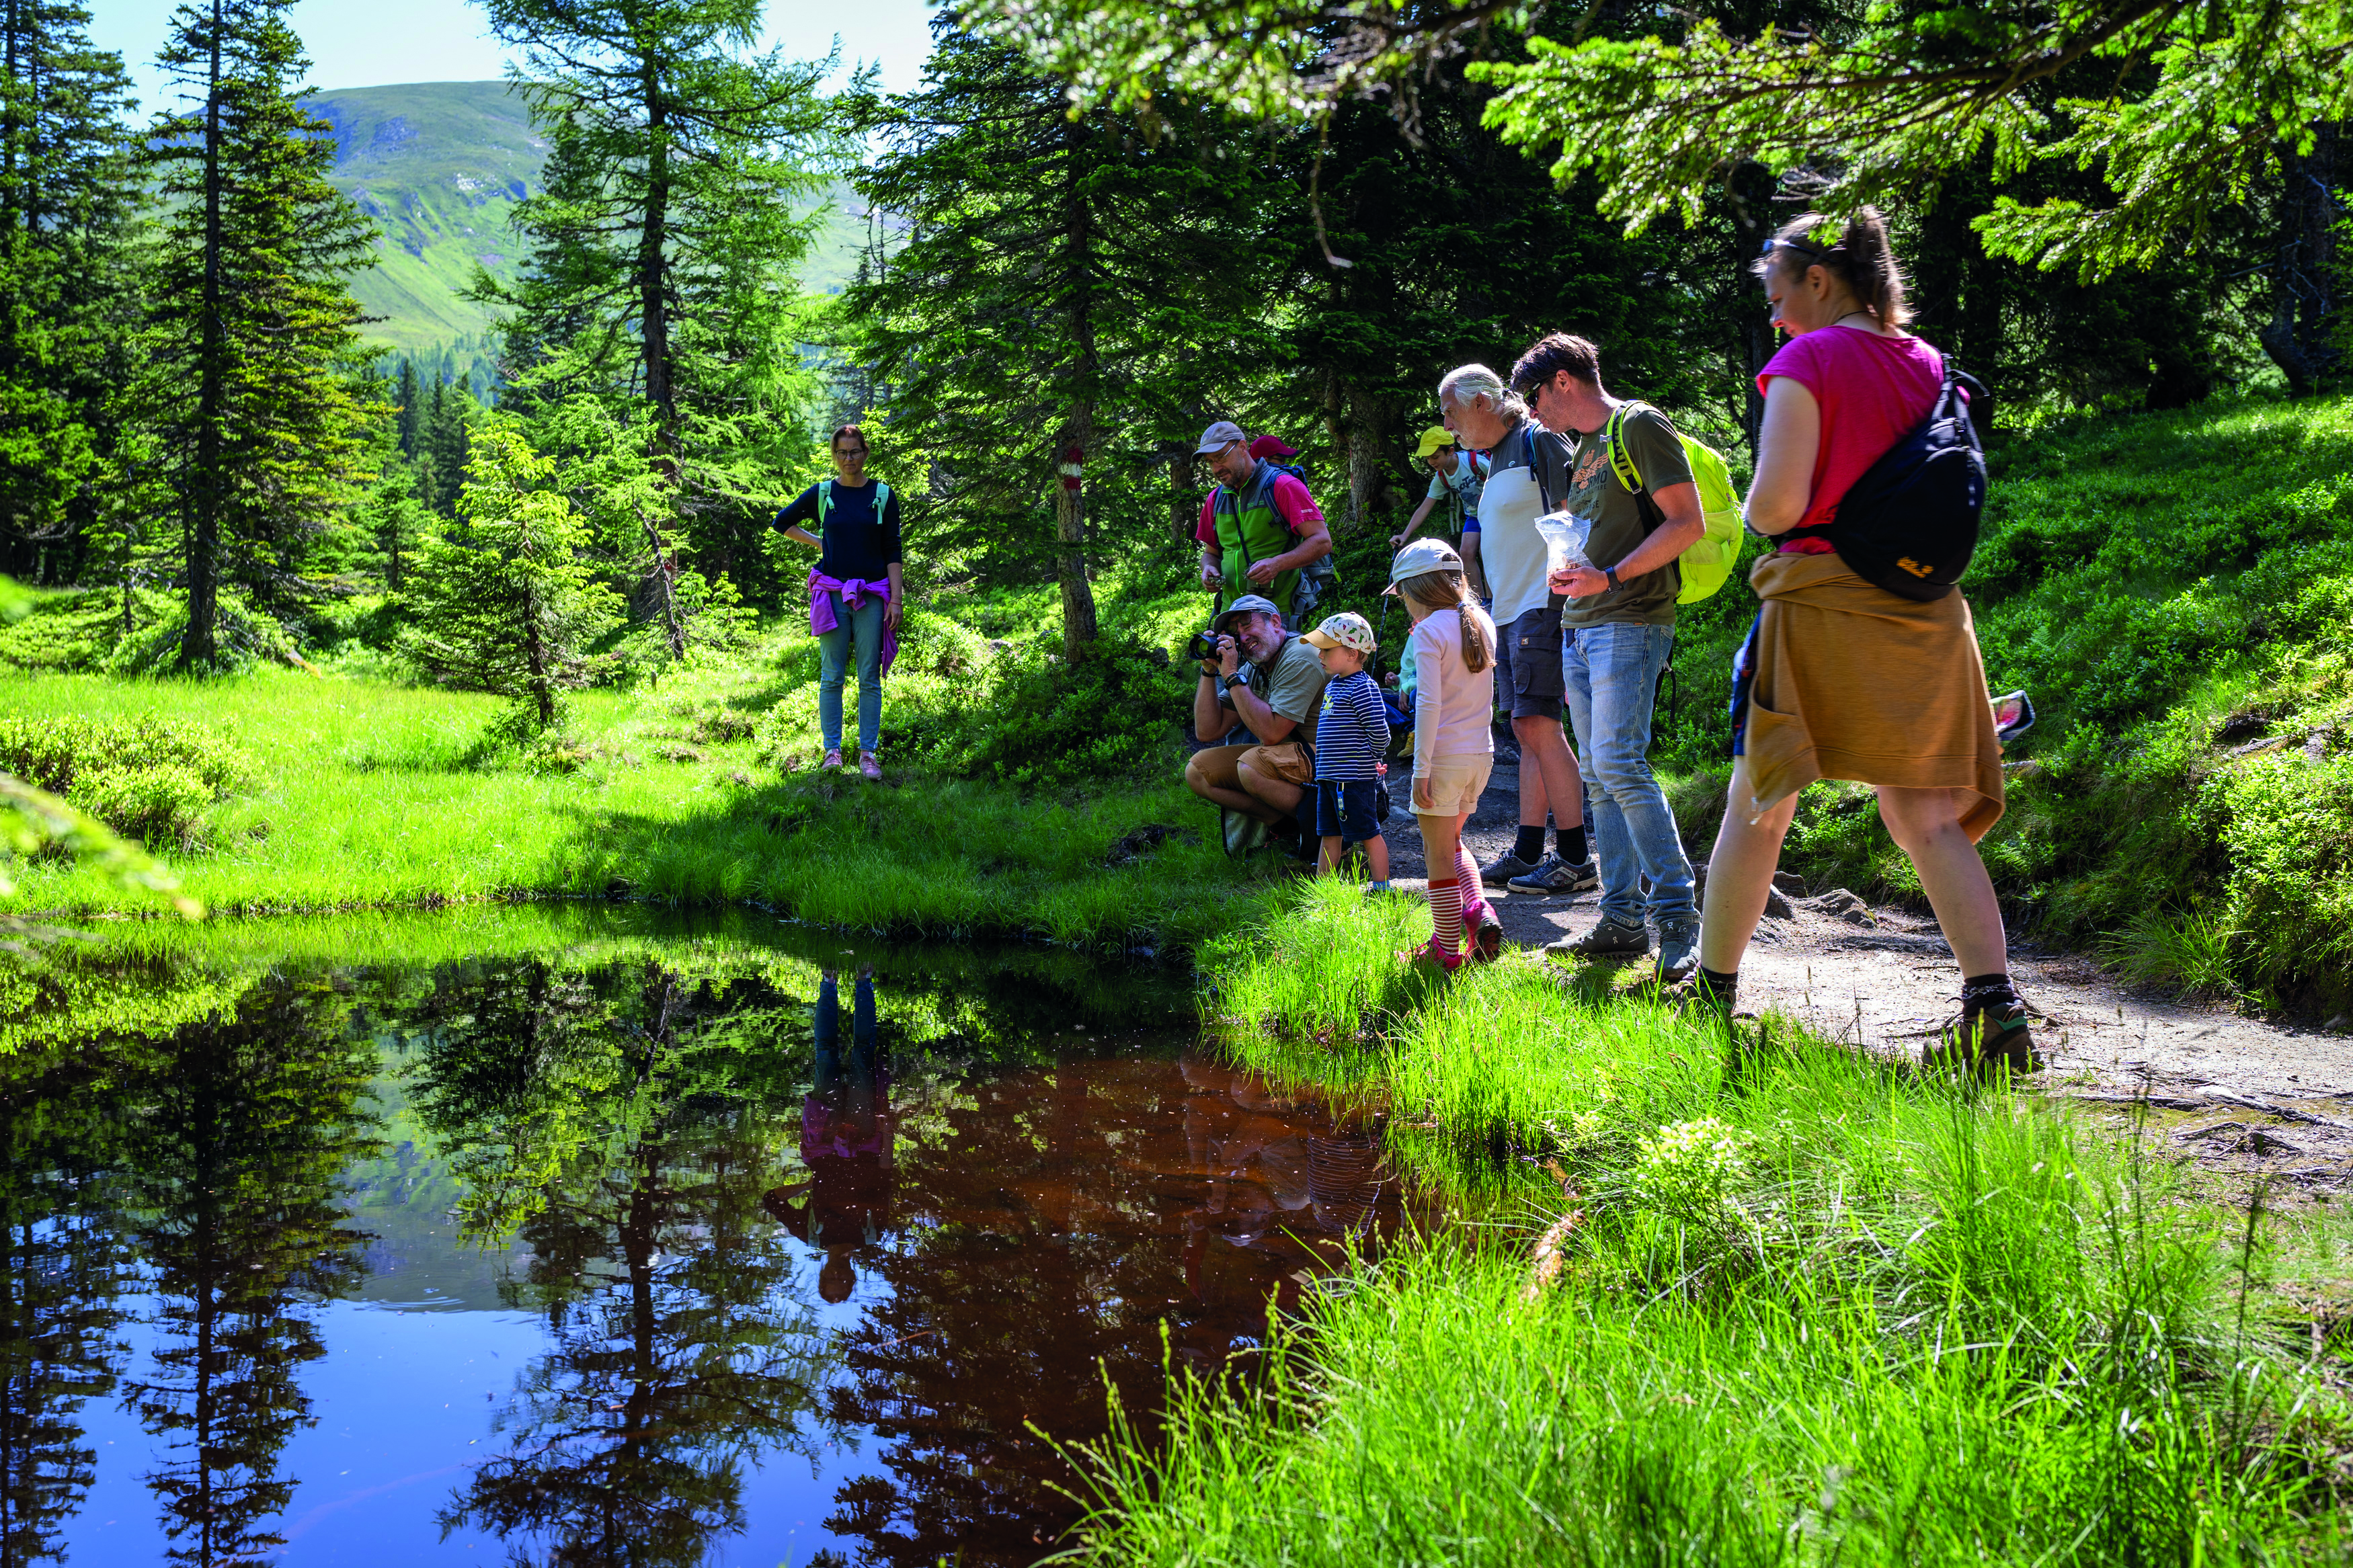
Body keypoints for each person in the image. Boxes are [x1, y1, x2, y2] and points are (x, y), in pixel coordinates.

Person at [1694, 208, 2029, 1070]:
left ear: (1818, 279)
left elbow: (1776, 506)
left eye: (1777, 294)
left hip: (1821, 602)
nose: (1774, 315)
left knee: (1760, 801)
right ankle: (1996, 1009)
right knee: (1923, 813)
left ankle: (1709, 993)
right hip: (1926, 608)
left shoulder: (1807, 360)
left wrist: (1746, 504)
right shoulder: (1928, 363)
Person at [1515, 333, 1708, 982]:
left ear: (1563, 381)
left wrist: (1611, 577)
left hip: (1630, 620)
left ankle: (1677, 917)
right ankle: (1621, 919)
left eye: (1534, 396)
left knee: (1621, 764)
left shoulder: (1639, 425)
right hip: (1581, 625)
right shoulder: (1585, 450)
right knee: (1599, 775)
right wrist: (1572, 571)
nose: (1532, 411)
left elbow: (1686, 523)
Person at [1435, 365, 1594, 895]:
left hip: (1541, 605)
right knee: (1527, 730)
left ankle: (1575, 858)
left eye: (1451, 412)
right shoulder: (1497, 456)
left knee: (1539, 726)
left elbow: (1577, 515)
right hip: (1510, 610)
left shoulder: (1538, 439)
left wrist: (1565, 594)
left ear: (1481, 402)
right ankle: (1528, 850)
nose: (1448, 425)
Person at [1389, 540, 1499, 971]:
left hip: (1443, 759)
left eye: (1402, 595)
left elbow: (1429, 705)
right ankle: (1478, 911)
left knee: (1437, 855)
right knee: (1452, 842)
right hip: (1480, 756)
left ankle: (1447, 952)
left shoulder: (1429, 631)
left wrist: (1422, 769)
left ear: (1416, 589)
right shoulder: (1482, 620)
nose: (1403, 604)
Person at [773, 423, 903, 781]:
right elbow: (782, 522)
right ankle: (832, 752)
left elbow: (892, 548)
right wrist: (820, 543)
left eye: (855, 451)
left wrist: (896, 600)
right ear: (834, 455)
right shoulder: (824, 493)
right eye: (842, 452)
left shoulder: (882, 495)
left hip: (872, 596)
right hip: (831, 595)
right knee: (831, 676)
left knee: (869, 677)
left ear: (865, 453)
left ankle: (867, 755)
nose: (849, 459)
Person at [762, 966, 893, 1303]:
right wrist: (888, 1134)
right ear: (851, 1278)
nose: (837, 1275)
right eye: (842, 1281)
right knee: (863, 1054)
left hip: (822, 1141)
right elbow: (885, 1178)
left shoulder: (811, 1235)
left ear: (822, 1275)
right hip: (866, 1138)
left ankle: (829, 982)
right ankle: (864, 980)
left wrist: (809, 1185)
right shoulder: (871, 1235)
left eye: (830, 1280)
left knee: (826, 1053)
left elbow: (771, 1200)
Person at [1183, 593, 1327, 850]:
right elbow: (1208, 730)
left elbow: (1271, 734)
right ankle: (1285, 827)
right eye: (1235, 631)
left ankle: (1325, 823)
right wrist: (1209, 671)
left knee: (1251, 766)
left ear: (1275, 622)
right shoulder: (1253, 667)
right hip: (1289, 758)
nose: (1242, 636)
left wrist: (1231, 675)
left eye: (1247, 623)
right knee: (1198, 772)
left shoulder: (1301, 655)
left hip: (1331, 760)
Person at [1194, 420, 1334, 626]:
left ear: (1243, 447)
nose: (1216, 468)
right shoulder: (1215, 499)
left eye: (1221, 457)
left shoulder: (1282, 486)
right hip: (1230, 613)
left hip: (1276, 616)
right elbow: (1211, 554)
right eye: (1210, 462)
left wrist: (1277, 564)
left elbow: (1322, 541)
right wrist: (1208, 568)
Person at [1301, 612, 1392, 889]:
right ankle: (1324, 891)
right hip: (1329, 777)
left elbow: (1380, 732)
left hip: (1351, 779)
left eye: (1327, 650)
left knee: (1368, 833)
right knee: (1329, 834)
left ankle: (1382, 889)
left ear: (1352, 653)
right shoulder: (1333, 686)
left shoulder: (1363, 688)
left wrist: (1372, 758)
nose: (1320, 655)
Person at [1389, 426, 1489, 552]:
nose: (1431, 462)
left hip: (1494, 511)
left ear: (1450, 451)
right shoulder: (1441, 478)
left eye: (1435, 457)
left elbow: (1503, 478)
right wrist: (1404, 535)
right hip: (1474, 516)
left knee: (1486, 551)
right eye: (1428, 458)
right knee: (1466, 552)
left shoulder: (1475, 462)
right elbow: (1424, 509)